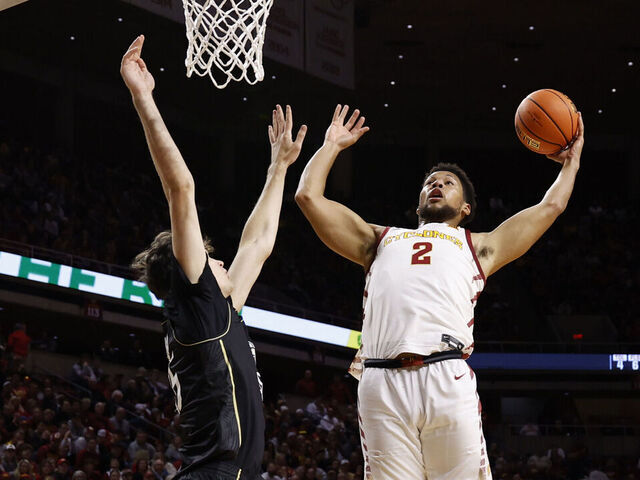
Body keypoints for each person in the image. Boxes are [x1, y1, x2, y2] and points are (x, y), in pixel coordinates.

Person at [295, 104, 585, 479]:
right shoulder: (379, 239)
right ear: (417, 201)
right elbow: (308, 198)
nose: (437, 184)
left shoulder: (479, 246)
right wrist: (331, 146)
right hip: (382, 383)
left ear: (465, 208)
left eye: (448, 182)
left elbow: (552, 205)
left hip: (446, 376)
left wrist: (570, 164)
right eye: (431, 181)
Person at [121, 35, 307, 480]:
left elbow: (257, 246)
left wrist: (278, 168)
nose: (221, 264)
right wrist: (143, 98)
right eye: (212, 261)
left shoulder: (214, 313)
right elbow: (180, 187)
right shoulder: (197, 302)